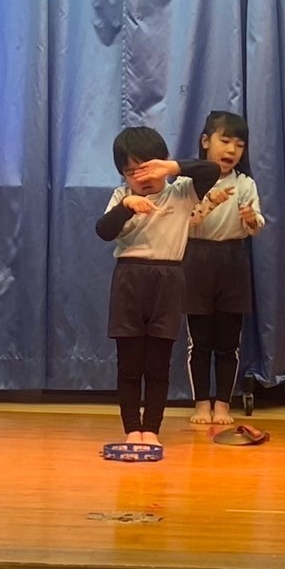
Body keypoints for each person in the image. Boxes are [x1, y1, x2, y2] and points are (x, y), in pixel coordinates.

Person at [96, 126, 219, 446]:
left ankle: (151, 429)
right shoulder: (122, 197)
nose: (143, 177)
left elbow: (211, 170)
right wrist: (127, 205)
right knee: (129, 363)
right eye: (132, 172)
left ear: (163, 163)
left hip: (168, 280)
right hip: (129, 279)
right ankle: (131, 429)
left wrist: (172, 167)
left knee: (158, 363)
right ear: (123, 175)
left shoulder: (182, 192)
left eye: (148, 168)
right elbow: (104, 231)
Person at [184, 110, 264, 425]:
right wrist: (209, 204)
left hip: (233, 260)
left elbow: (256, 226)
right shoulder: (188, 182)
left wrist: (251, 219)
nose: (232, 150)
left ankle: (222, 406)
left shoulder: (245, 183)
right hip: (197, 259)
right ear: (205, 141)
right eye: (225, 140)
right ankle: (201, 405)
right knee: (200, 341)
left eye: (239, 145)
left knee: (229, 343)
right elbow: (183, 225)